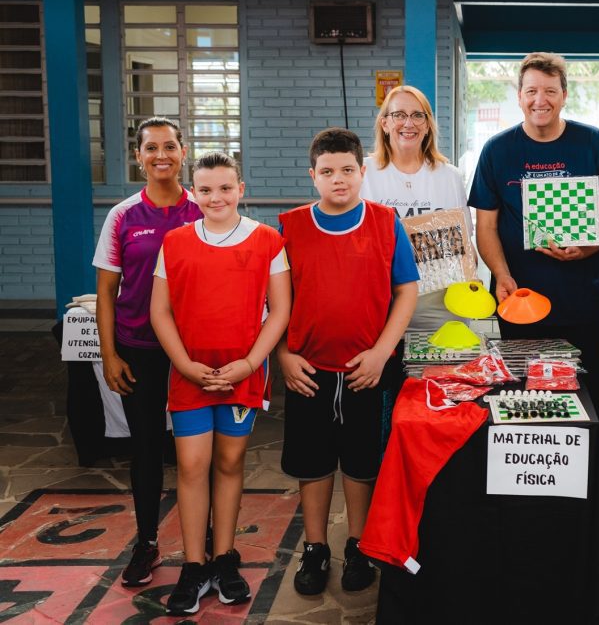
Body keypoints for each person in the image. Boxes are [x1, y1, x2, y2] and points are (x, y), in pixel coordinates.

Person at [277, 127, 418, 595]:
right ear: (312, 176)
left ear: (363, 172)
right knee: (313, 463)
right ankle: (315, 548)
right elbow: (274, 301)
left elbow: (406, 291)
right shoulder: (291, 227)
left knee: (363, 463)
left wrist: (382, 352)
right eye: (327, 172)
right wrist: (283, 354)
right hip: (309, 370)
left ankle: (359, 543)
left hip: (367, 369)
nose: (338, 179)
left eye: (347, 171)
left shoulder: (384, 221)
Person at [150, 151, 291, 616]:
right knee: (192, 467)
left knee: (230, 463)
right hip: (190, 375)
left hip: (241, 374)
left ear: (241, 190)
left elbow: (281, 310)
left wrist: (251, 362)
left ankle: (225, 556)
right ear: (194, 192)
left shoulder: (267, 240)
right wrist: (185, 365)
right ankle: (194, 564)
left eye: (225, 188)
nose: (216, 197)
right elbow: (160, 311)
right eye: (206, 189)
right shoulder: (174, 241)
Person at [469, 52, 599, 419]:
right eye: (531, 91)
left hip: (581, 297)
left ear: (564, 94)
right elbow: (487, 226)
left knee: (582, 398)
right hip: (521, 297)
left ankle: (587, 472)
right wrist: (502, 275)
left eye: (549, 91)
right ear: (518, 95)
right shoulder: (497, 149)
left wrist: (591, 245)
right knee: (526, 397)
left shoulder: (592, 142)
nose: (539, 100)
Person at [93, 117, 204, 588]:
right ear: (138, 157)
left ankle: (210, 544)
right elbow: (106, 292)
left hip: (194, 352)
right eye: (151, 148)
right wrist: (109, 354)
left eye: (170, 146)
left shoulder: (203, 209)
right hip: (137, 348)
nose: (162, 155)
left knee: (197, 452)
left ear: (183, 152)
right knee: (145, 451)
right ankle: (146, 543)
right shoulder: (122, 216)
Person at [363, 84, 474, 332]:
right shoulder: (363, 173)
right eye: (399, 115)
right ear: (385, 124)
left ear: (427, 125)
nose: (408, 123)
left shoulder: (449, 176)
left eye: (417, 115)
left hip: (441, 306)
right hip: (382, 302)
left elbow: (466, 247)